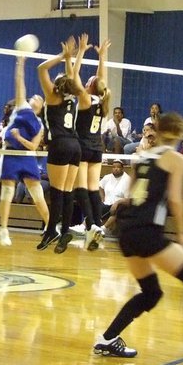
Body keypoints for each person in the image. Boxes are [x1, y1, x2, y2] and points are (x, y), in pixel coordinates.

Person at [92, 112, 183, 361]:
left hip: (128, 232)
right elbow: (176, 201)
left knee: (151, 293)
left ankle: (107, 339)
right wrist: (181, 234)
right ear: (178, 133)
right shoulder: (174, 159)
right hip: (147, 232)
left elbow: (132, 195)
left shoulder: (142, 157)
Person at [0, 56, 50, 247]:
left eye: (40, 98)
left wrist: (19, 138)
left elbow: (34, 147)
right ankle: (3, 229)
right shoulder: (22, 106)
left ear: (42, 106)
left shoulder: (40, 124)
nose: (36, 97)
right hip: (11, 154)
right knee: (7, 192)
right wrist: (21, 62)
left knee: (37, 195)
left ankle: (51, 227)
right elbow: (19, 82)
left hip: (27, 156)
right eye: (34, 96)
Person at [37, 37, 82, 252]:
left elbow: (41, 68)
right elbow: (71, 75)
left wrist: (63, 56)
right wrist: (69, 59)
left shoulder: (52, 96)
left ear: (56, 85)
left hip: (60, 145)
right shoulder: (72, 97)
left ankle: (50, 232)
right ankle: (65, 231)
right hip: (76, 146)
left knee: (56, 192)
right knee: (67, 191)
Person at [73, 35, 112, 251]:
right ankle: (97, 224)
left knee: (81, 189)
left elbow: (74, 76)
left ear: (90, 87)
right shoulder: (103, 100)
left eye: (89, 81)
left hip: (83, 147)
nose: (88, 81)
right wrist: (102, 57)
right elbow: (101, 79)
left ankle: (91, 225)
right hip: (97, 148)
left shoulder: (86, 99)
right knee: (92, 188)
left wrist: (80, 52)